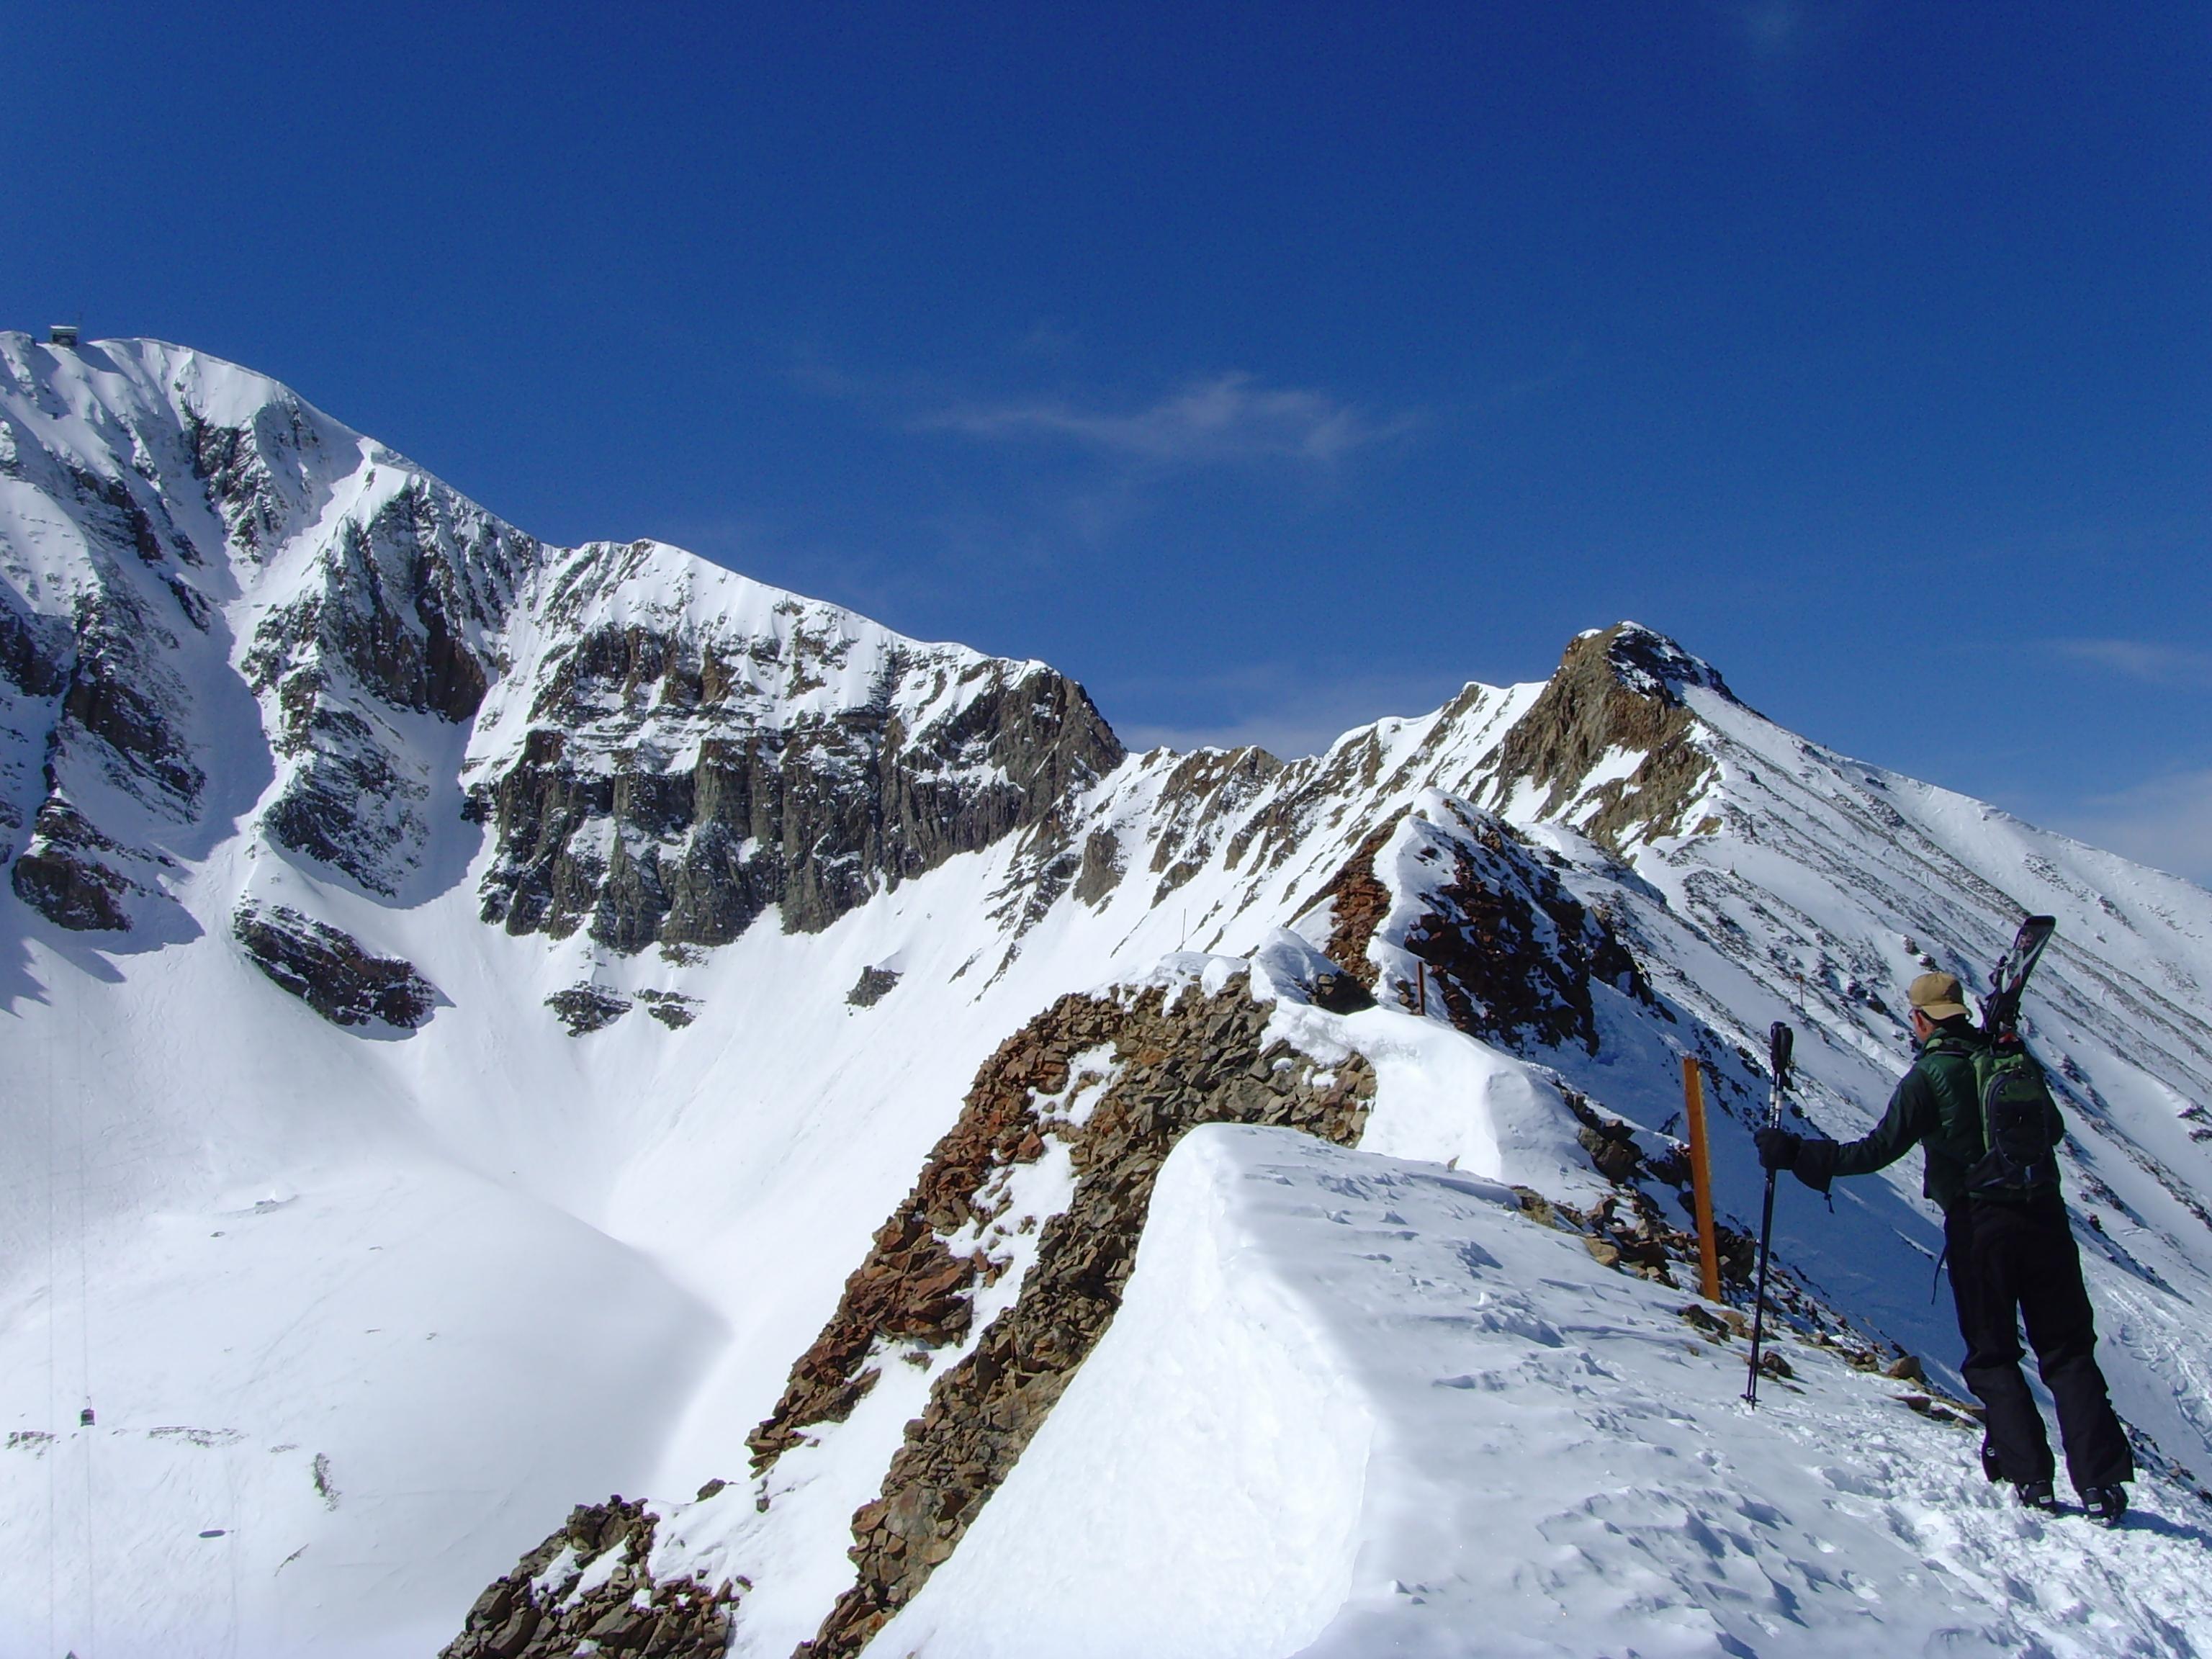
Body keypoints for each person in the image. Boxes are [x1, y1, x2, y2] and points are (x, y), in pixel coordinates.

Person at [1755, 971, 2134, 1524]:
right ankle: (2101, 1485)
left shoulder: (1929, 1076)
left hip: (1981, 1225)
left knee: (1994, 1351)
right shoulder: (2009, 1059)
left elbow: (1876, 1151)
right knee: (2068, 1350)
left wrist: (1794, 1153)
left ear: (1919, 1019)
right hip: (2044, 1218)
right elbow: (2050, 1130)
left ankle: (2030, 1477)